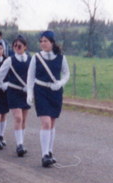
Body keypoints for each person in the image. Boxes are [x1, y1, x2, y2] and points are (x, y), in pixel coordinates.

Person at [28, 31, 71, 165]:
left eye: (45, 41)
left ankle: (50, 151)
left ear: (52, 42)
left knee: (52, 123)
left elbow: (66, 74)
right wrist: (29, 93)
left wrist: (60, 83)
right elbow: (30, 77)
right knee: (45, 122)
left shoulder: (61, 58)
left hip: (55, 92)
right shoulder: (36, 58)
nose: (43, 44)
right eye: (41, 41)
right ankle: (44, 154)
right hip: (41, 91)